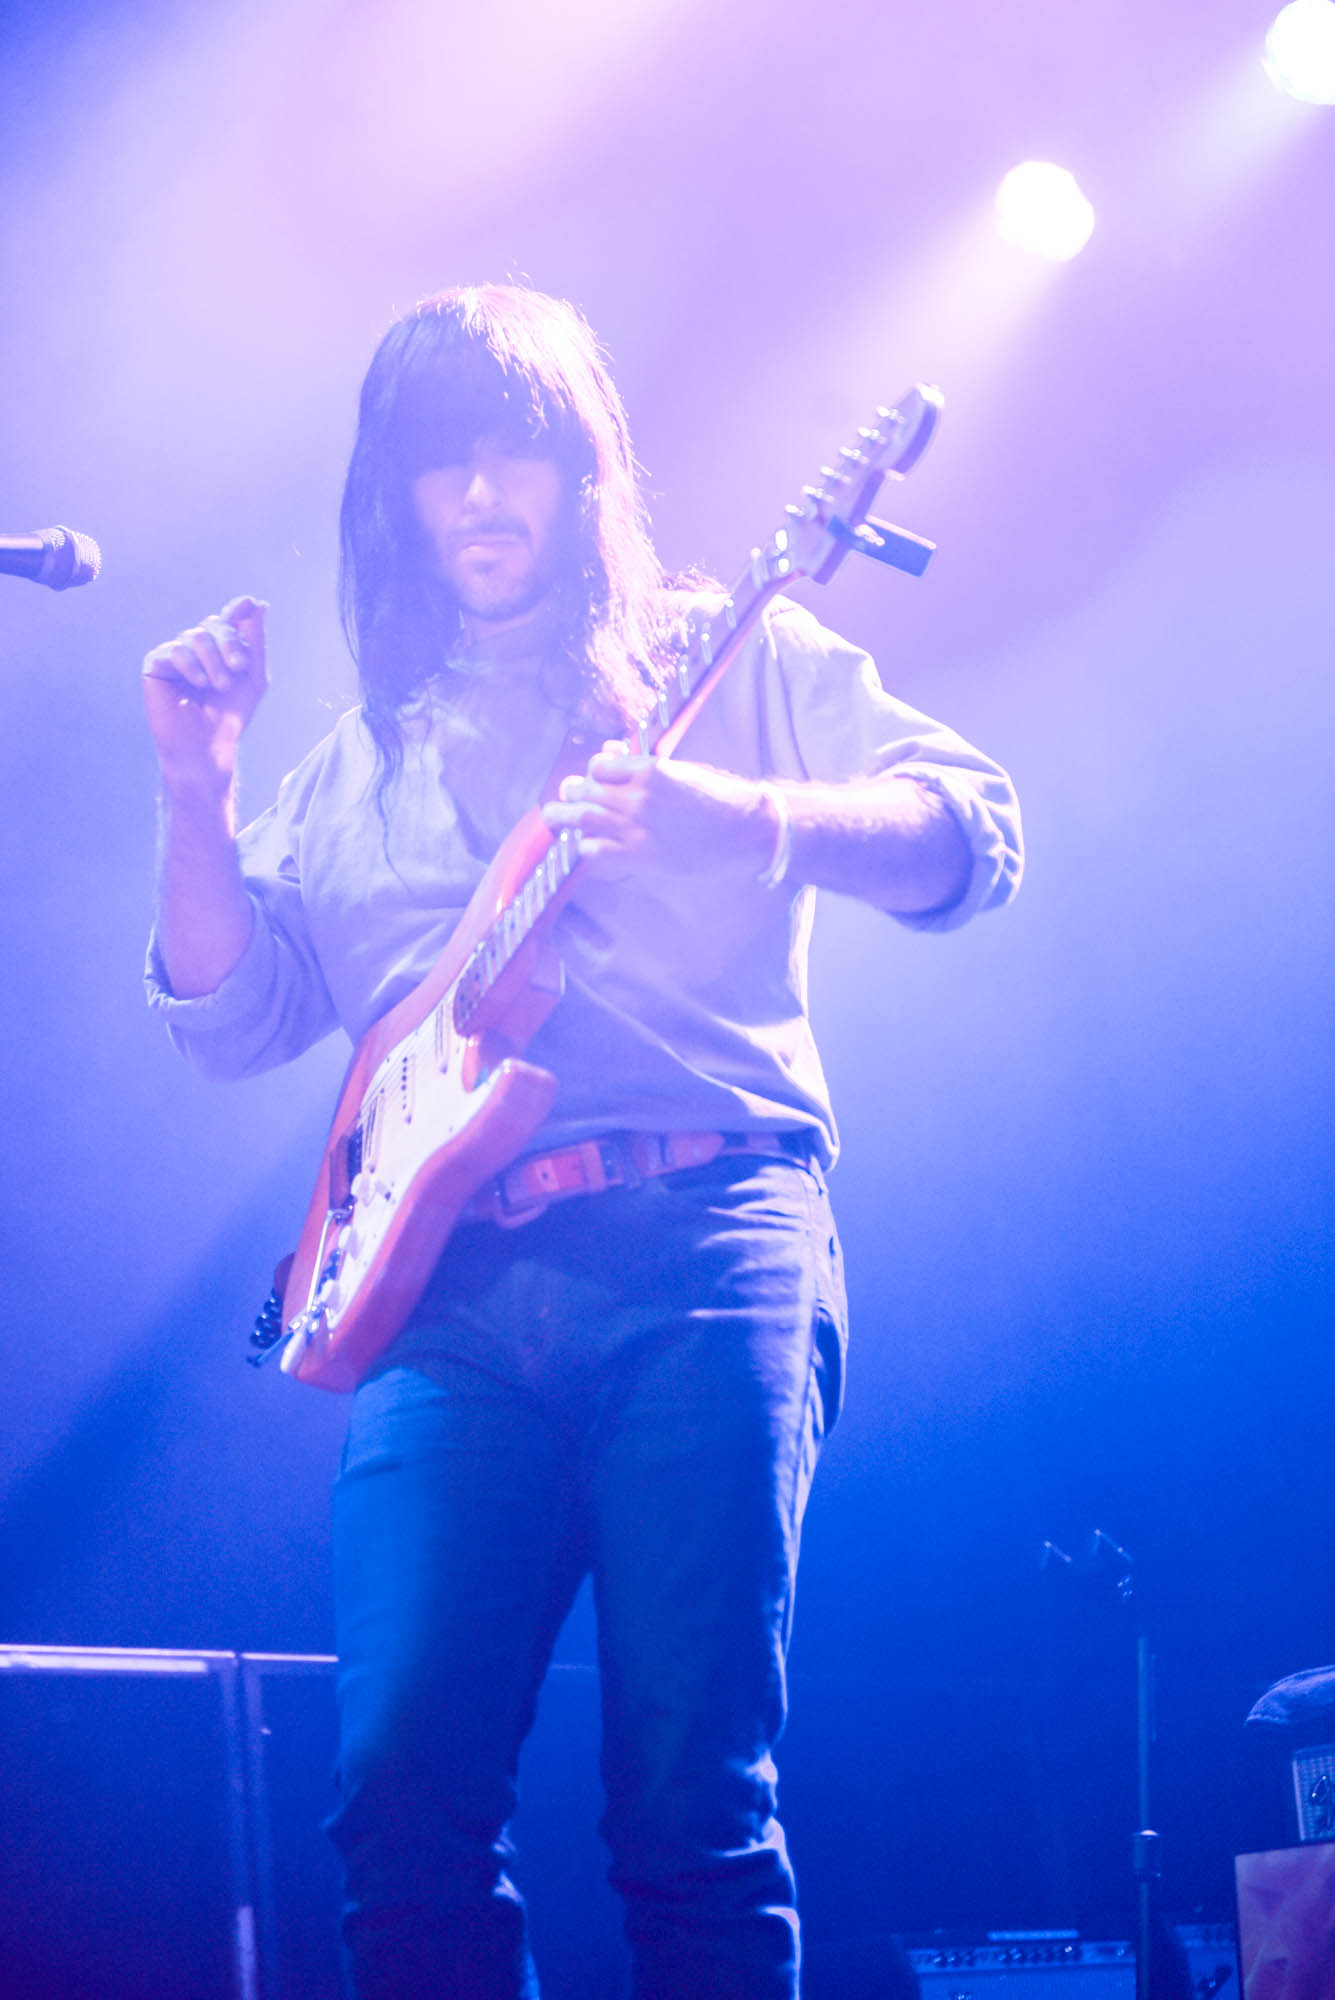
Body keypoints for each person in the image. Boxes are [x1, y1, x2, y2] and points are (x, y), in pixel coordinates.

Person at [143, 285, 1022, 2000]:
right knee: (397, 1806)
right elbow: (230, 1019)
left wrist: (740, 817)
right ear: (392, 498)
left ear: (583, 470)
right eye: (441, 462)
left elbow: (970, 837)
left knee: (691, 1809)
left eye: (516, 454)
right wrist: (194, 793)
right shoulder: (353, 764)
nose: (481, 493)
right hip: (446, 1304)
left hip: (704, 1247)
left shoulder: (727, 652)